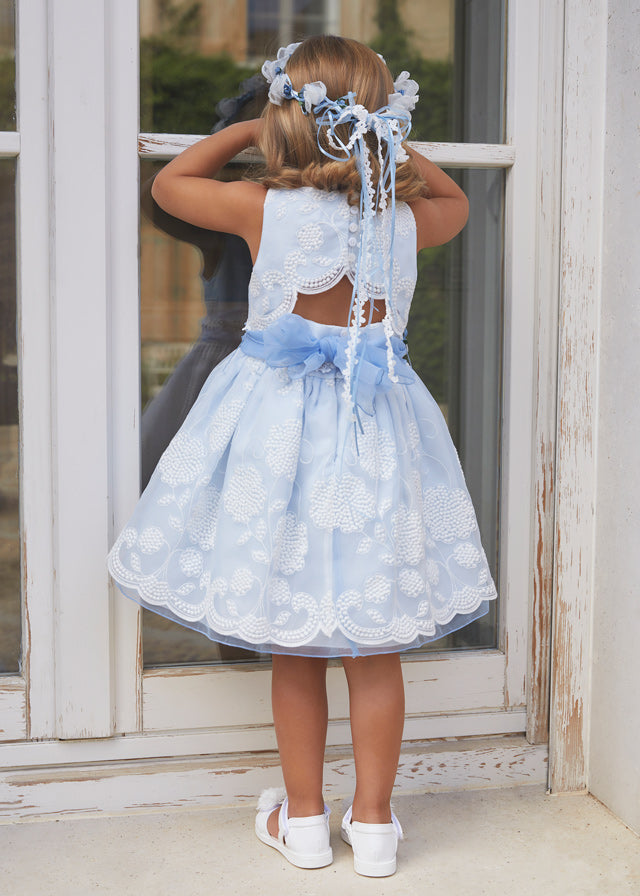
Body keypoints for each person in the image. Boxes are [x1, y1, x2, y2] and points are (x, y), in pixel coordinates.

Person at [108, 35, 497, 877]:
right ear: (380, 122)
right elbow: (457, 198)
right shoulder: (405, 218)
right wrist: (386, 144)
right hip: (378, 432)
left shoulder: (264, 208)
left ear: (284, 118)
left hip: (279, 433)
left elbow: (170, 184)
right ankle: (379, 826)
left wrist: (249, 132)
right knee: (374, 644)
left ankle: (308, 822)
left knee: (297, 644)